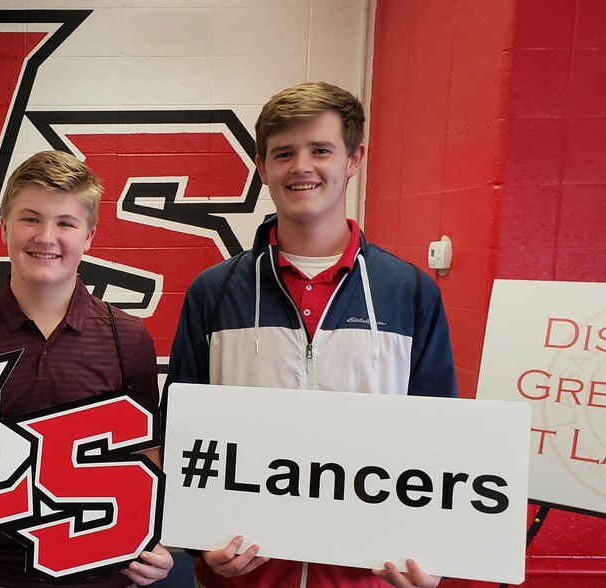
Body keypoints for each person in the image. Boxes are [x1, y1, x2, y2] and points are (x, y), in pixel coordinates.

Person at [165, 81, 458, 588]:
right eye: (283, 153)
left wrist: (430, 556)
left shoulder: (409, 292)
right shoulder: (213, 291)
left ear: (354, 158)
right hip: (242, 576)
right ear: (262, 166)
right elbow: (180, 436)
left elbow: (441, 440)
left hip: (367, 578)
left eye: (321, 150)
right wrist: (199, 547)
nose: (301, 166)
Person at [0, 151, 174, 587]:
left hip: (101, 574)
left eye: (66, 222)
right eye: (30, 219)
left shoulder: (128, 337)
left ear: (90, 236)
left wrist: (152, 537)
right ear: (4, 228)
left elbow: (146, 450)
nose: (47, 236)